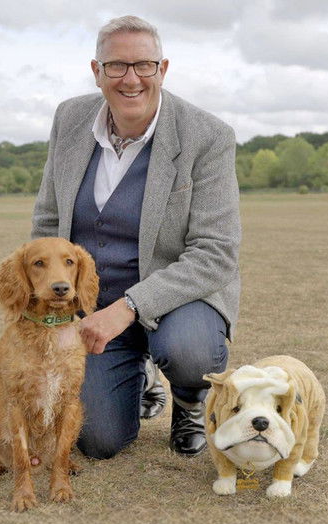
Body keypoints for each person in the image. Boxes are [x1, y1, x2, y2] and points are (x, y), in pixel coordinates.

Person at [31, 15, 240, 459]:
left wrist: (129, 308)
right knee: (97, 440)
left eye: (144, 65)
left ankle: (190, 402)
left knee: (189, 351)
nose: (131, 79)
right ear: (96, 71)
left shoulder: (208, 136)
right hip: (94, 307)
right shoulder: (69, 118)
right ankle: (140, 373)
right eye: (116, 66)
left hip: (179, 302)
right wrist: (53, 310)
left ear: (163, 69)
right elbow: (48, 224)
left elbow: (216, 253)